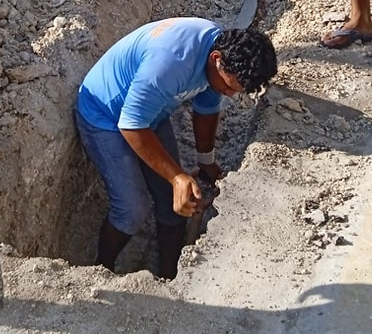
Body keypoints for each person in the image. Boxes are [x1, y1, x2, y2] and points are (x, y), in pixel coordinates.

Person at [74, 18, 277, 280]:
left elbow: (206, 108)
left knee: (178, 202)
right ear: (216, 58)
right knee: (133, 209)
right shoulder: (171, 63)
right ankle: (101, 271)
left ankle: (169, 276)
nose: (229, 94)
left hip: (150, 115)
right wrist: (177, 177)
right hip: (104, 115)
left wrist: (205, 162)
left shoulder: (219, 58)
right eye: (228, 85)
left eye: (235, 90)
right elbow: (132, 125)